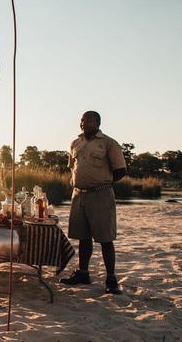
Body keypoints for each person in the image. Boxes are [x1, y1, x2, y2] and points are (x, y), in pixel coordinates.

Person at [60, 111, 127, 295]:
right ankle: (83, 273)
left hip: (101, 194)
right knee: (83, 237)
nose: (84, 123)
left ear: (98, 123)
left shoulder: (108, 143)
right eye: (82, 120)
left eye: (89, 120)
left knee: (105, 238)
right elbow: (72, 167)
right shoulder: (75, 143)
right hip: (79, 195)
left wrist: (102, 181)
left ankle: (111, 278)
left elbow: (120, 171)